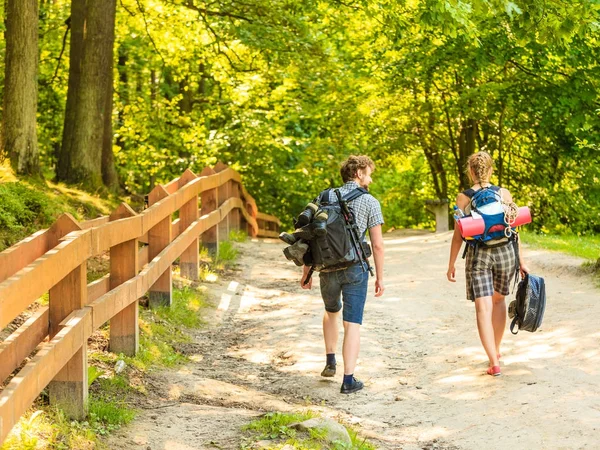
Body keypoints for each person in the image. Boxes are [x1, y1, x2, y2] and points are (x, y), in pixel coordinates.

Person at [301, 155, 385, 394]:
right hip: (355, 267)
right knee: (352, 324)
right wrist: (380, 276)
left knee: (331, 312)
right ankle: (348, 380)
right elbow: (377, 245)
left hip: (327, 268)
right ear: (358, 173)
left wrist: (306, 272)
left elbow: (309, 237)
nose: (370, 177)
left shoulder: (323, 198)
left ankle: (330, 360)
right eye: (368, 173)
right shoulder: (370, 201)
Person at [447, 151, 529, 376]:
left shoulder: (463, 198)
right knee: (499, 301)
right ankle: (498, 348)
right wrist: (521, 261)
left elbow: (458, 235)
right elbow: (514, 229)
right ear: (490, 170)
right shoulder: (503, 193)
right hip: (505, 253)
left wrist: (451, 263)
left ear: (470, 171)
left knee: (482, 308)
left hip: (479, 255)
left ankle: (493, 361)